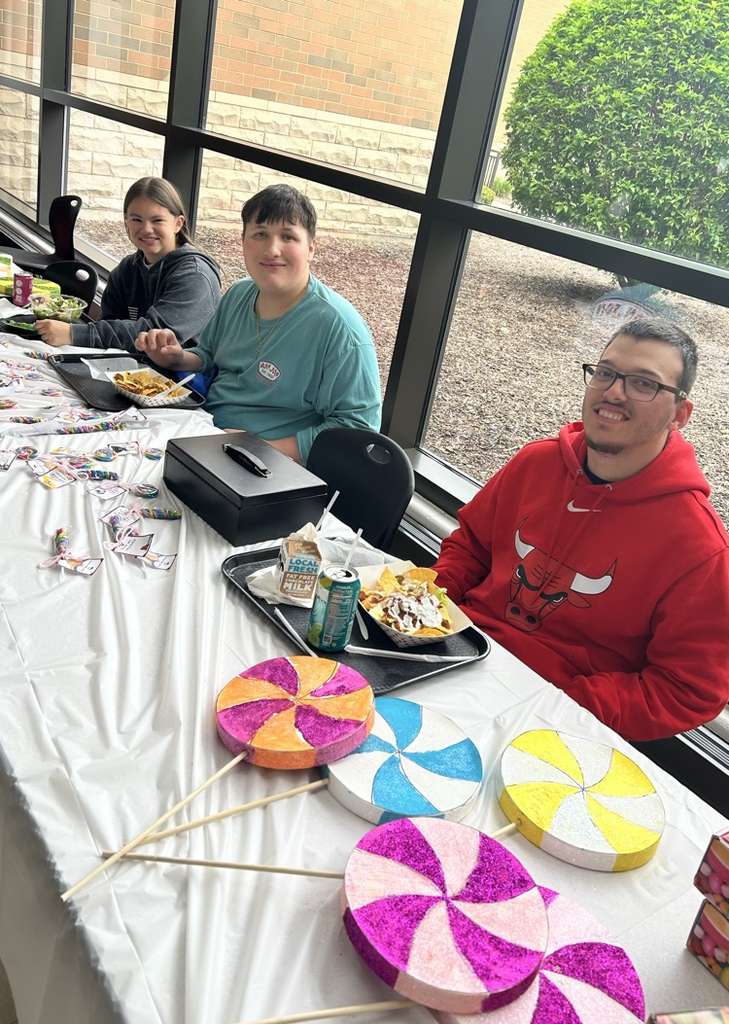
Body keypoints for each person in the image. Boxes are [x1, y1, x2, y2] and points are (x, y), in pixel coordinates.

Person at [432, 318, 729, 742]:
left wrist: (565, 705)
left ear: (679, 414)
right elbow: (470, 547)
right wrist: (426, 608)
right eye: (605, 373)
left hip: (556, 718)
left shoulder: (700, 547)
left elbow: (689, 691)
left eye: (643, 384)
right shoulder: (535, 462)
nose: (613, 392)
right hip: (455, 649)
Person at [136, 183, 381, 465]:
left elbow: (357, 430)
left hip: (272, 467)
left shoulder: (339, 329)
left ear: (311, 248)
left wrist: (257, 447)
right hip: (203, 433)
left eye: (288, 237)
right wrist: (177, 358)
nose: (272, 250)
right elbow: (209, 356)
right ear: (243, 241)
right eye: (260, 234)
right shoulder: (239, 294)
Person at [35, 177, 221, 351]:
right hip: (131, 368)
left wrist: (74, 333)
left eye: (157, 220)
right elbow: (108, 323)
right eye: (136, 220)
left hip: (184, 379)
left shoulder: (195, 275)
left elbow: (155, 337)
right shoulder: (126, 269)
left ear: (178, 224)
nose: (147, 229)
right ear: (126, 222)